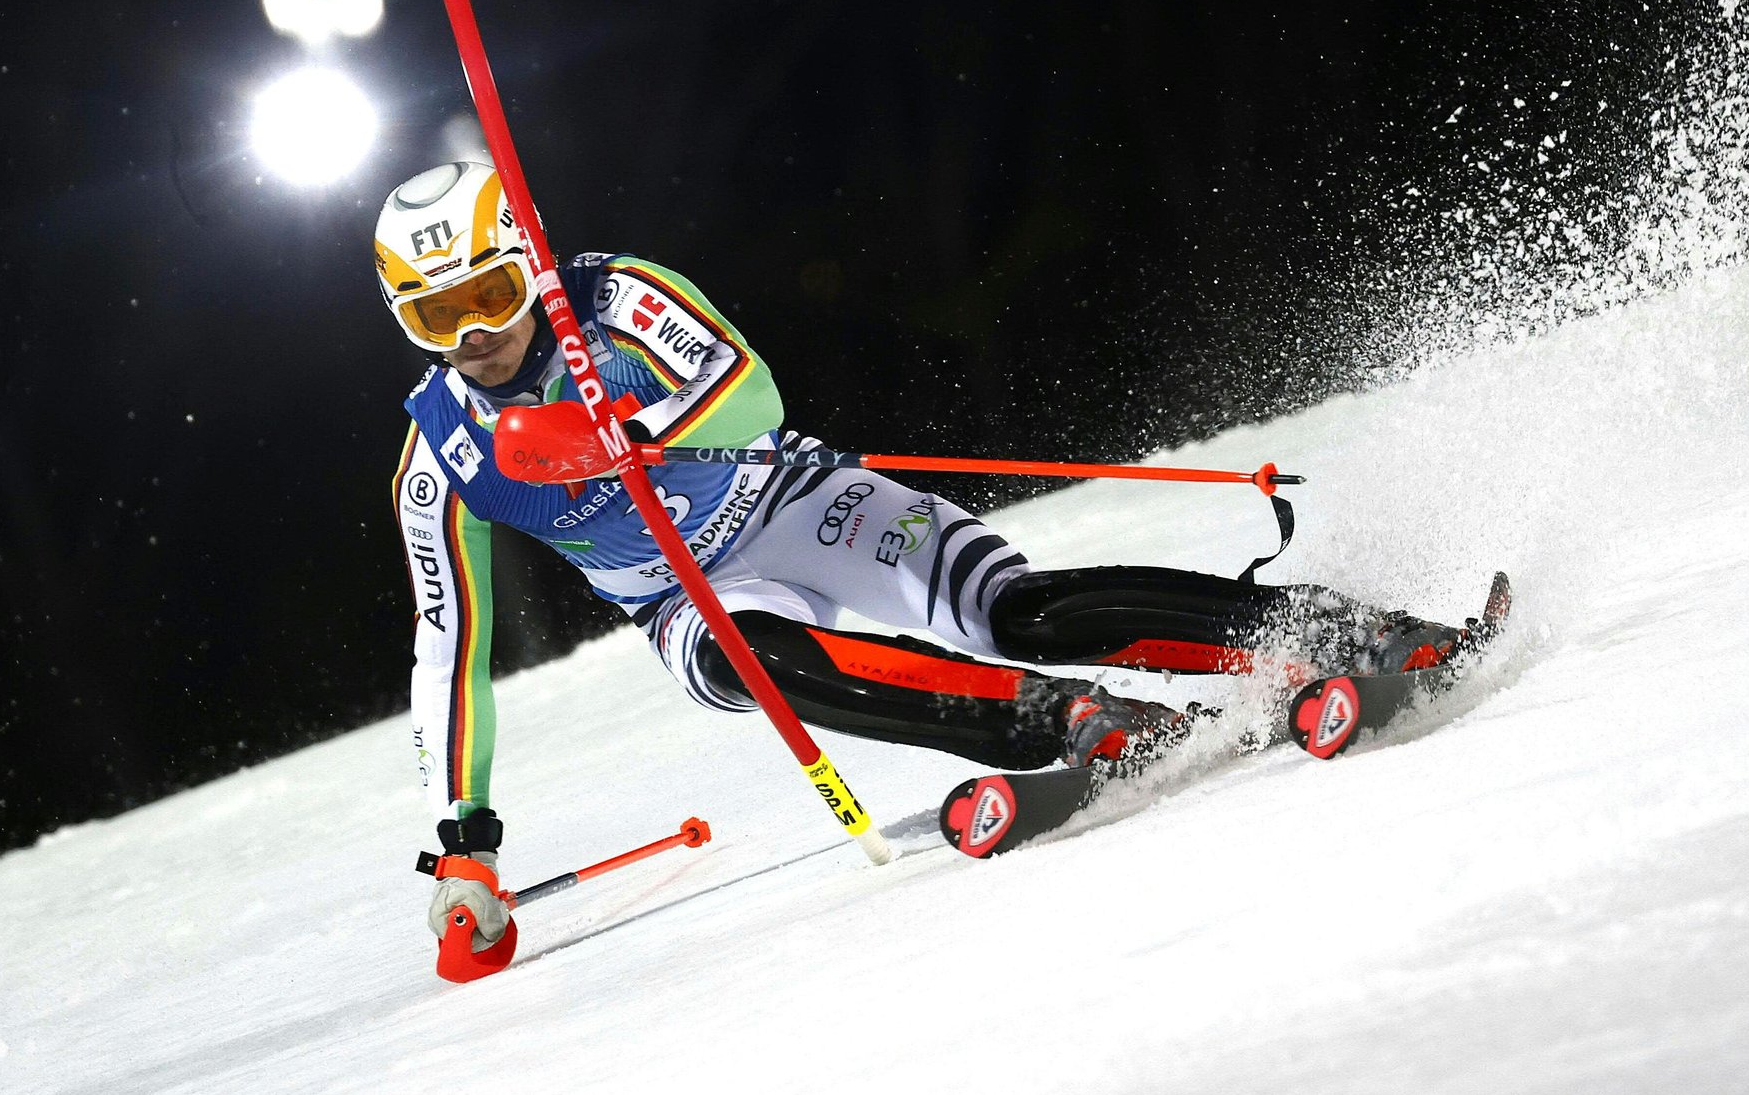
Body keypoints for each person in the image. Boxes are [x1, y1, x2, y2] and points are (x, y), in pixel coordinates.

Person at [379, 163, 1477, 954]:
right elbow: (451, 649)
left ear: (525, 266)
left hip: (788, 494)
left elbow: (751, 390)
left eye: (488, 294)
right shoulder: (439, 456)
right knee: (754, 663)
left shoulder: (613, 300)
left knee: (1014, 610)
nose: (474, 333)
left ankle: (1333, 628)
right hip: (689, 594)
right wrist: (463, 844)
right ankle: (1071, 722)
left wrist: (626, 430)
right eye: (437, 316)